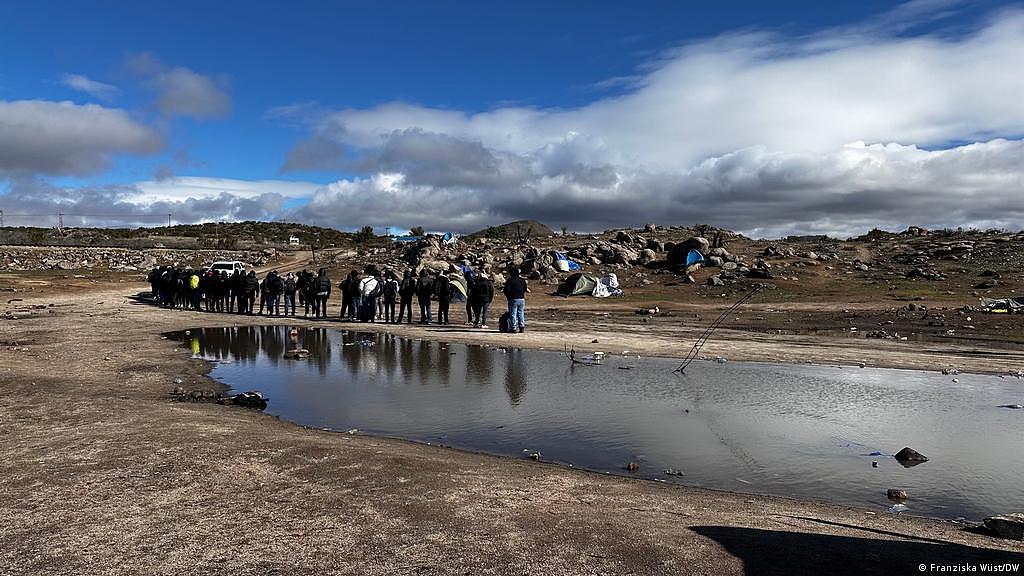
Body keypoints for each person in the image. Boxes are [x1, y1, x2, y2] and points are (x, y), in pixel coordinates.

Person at [503, 267, 529, 333]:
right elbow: (525, 289)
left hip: (513, 299)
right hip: (521, 299)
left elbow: (506, 290)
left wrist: (508, 297)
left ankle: (513, 328)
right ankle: (521, 327)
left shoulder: (510, 280)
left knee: (513, 313)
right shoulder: (522, 280)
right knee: (521, 313)